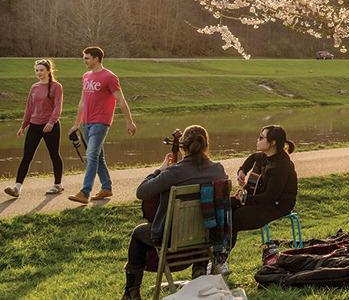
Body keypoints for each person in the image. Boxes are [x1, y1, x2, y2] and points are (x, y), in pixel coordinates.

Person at [123, 125, 227, 300]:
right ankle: (199, 273)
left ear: (183, 146)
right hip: (206, 235)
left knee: (138, 233)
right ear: (206, 145)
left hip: (172, 237)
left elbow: (141, 192)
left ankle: (131, 292)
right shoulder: (218, 170)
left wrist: (160, 170)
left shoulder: (174, 172)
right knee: (200, 222)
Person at [69, 46, 137, 204]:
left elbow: (120, 100)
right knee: (98, 157)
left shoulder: (109, 77)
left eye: (87, 58)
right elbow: (82, 102)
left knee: (91, 155)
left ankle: (85, 192)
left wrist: (129, 121)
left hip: (101, 122)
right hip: (86, 123)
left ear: (96, 58)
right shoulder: (86, 76)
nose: (84, 60)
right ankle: (106, 187)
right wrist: (76, 124)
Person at [4, 59, 64, 198]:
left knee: (54, 154)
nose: (39, 73)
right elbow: (29, 108)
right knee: (27, 156)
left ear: (49, 70)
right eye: (37, 70)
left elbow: (58, 107)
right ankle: (17, 188)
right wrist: (23, 126)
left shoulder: (56, 86)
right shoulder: (34, 87)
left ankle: (58, 185)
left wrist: (51, 123)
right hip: (35, 125)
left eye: (42, 70)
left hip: (51, 127)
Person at [232, 125, 298, 249]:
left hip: (278, 205)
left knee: (236, 217)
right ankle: (215, 255)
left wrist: (245, 199)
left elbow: (270, 197)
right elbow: (252, 157)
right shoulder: (265, 155)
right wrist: (242, 171)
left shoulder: (280, 165)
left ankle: (221, 260)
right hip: (261, 199)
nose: (258, 140)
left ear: (272, 142)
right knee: (226, 206)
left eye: (261, 137)